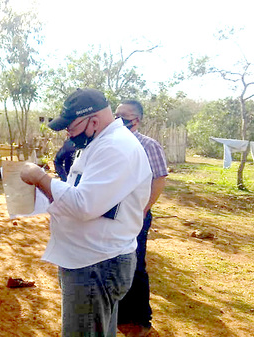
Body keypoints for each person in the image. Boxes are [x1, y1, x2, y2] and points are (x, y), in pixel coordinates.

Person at [20, 88, 152, 336]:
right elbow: (81, 192)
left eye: (71, 126)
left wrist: (40, 179)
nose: (68, 133)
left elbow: (84, 205)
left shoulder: (116, 147)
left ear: (93, 120)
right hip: (90, 259)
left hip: (97, 264)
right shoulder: (99, 142)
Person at [116, 100, 168, 337]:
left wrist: (145, 207)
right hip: (114, 215)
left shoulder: (149, 145)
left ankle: (140, 319)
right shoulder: (113, 142)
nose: (119, 119)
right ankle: (119, 314)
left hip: (137, 214)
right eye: (116, 114)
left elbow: (159, 179)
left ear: (136, 119)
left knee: (136, 265)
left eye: (124, 115)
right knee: (116, 261)